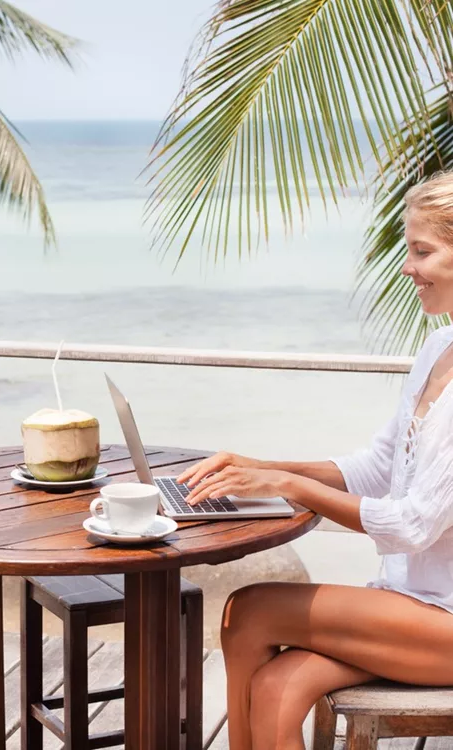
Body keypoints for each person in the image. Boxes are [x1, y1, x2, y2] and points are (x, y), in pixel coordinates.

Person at [176, 171, 453, 750]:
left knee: (247, 611)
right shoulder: (436, 350)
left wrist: (287, 486)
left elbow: (413, 524)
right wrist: (262, 468)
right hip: (409, 602)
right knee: (277, 688)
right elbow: (378, 466)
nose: (407, 268)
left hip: (445, 619)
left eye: (422, 251)